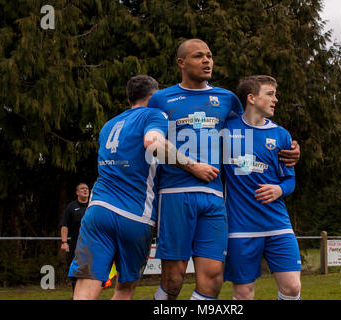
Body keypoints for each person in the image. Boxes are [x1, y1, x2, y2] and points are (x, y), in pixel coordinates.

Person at [149, 39, 300, 300]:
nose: (207, 61)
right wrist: (192, 166)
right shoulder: (161, 99)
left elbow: (251, 127)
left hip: (215, 197)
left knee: (213, 279)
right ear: (181, 63)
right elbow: (150, 142)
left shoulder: (227, 99)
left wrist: (288, 149)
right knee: (173, 280)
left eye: (209, 55)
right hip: (175, 193)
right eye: (198, 56)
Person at [68, 75, 170, 300]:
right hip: (134, 215)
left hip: (98, 211)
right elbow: (153, 142)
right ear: (153, 96)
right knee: (124, 287)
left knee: (86, 285)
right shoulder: (155, 114)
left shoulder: (108, 125)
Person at [222, 75, 301, 300]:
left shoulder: (281, 135)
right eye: (270, 94)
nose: (275, 99)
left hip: (277, 224)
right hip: (241, 227)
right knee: (244, 293)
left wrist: (279, 190)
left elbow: (290, 180)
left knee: (292, 288)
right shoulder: (226, 131)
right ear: (252, 98)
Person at [60, 182, 89, 291]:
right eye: (82, 188)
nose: (85, 190)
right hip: (76, 244)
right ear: (77, 192)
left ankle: (89, 295)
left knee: (91, 271)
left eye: (87, 188)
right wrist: (64, 242)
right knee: (76, 271)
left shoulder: (93, 205)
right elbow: (64, 225)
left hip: (92, 244)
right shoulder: (71, 207)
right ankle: (76, 294)